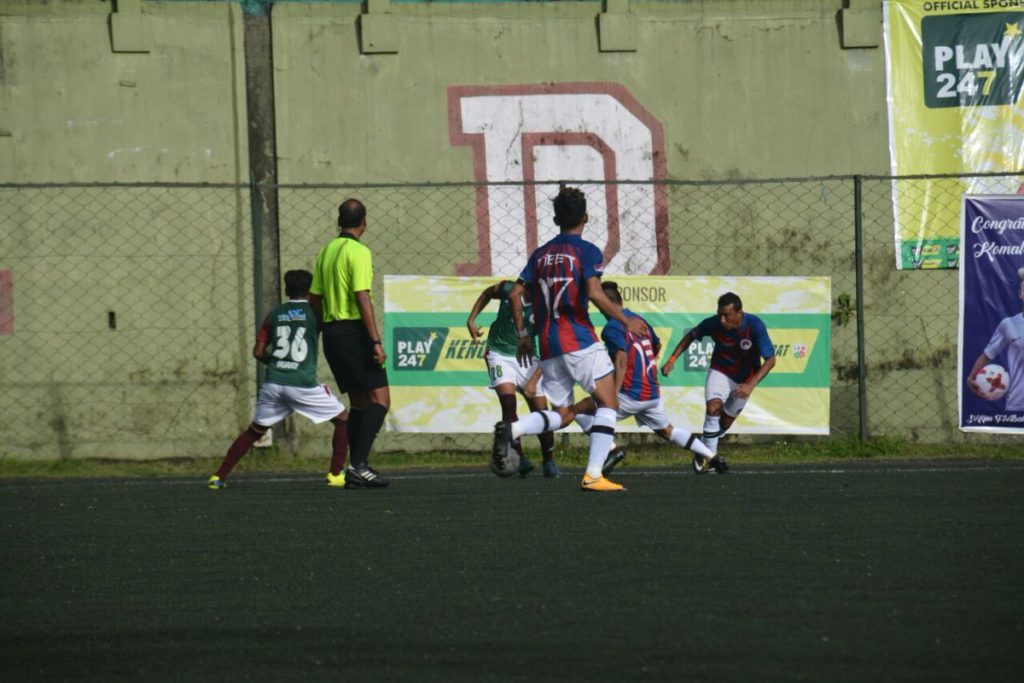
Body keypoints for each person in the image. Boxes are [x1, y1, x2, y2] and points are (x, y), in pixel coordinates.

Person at [491, 185, 648, 492]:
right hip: (578, 338)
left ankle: (513, 429)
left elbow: (516, 294)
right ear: (586, 217)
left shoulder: (540, 254)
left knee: (563, 414)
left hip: (549, 345)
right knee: (608, 402)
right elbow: (593, 292)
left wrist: (524, 335)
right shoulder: (587, 251)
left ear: (554, 219)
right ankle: (592, 474)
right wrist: (624, 318)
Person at [208, 270, 349, 489]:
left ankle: (218, 477)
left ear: (286, 290)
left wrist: (278, 363)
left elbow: (257, 352)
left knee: (255, 430)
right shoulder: (315, 312)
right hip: (301, 383)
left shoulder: (274, 315)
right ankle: (335, 474)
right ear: (311, 291)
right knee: (343, 419)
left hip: (273, 382)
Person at [572, 282, 716, 474]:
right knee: (667, 430)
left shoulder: (613, 327)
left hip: (629, 394)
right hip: (652, 394)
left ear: (604, 303)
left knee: (578, 411)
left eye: (597, 303)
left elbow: (621, 359)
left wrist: (613, 396)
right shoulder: (640, 320)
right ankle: (712, 457)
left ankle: (613, 450)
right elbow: (656, 346)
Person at [308, 198, 390, 489]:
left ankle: (355, 468)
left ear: (339, 221)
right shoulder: (359, 251)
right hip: (354, 332)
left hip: (332, 333)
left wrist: (322, 328)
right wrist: (375, 341)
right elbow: (361, 296)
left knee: (358, 403)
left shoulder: (326, 251)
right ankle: (358, 465)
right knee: (381, 400)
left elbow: (314, 297)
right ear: (363, 221)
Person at [660, 291, 776, 473]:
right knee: (713, 407)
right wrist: (672, 359)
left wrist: (750, 385)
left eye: (726, 315)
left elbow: (770, 360)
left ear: (739, 313)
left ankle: (703, 446)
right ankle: (710, 458)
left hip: (745, 380)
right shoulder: (713, 323)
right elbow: (691, 336)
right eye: (719, 314)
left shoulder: (754, 325)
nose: (722, 319)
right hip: (720, 371)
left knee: (725, 423)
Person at [467, 281, 562, 477]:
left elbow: (549, 347)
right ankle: (519, 457)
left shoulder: (545, 308)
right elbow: (487, 292)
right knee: (509, 403)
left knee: (541, 410)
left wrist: (535, 379)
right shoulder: (509, 290)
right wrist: (471, 320)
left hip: (527, 358)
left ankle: (549, 460)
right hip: (499, 353)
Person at [966, 266, 1024, 410]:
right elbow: (987, 355)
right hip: (1017, 404)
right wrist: (971, 377)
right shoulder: (1008, 325)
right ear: (1020, 294)